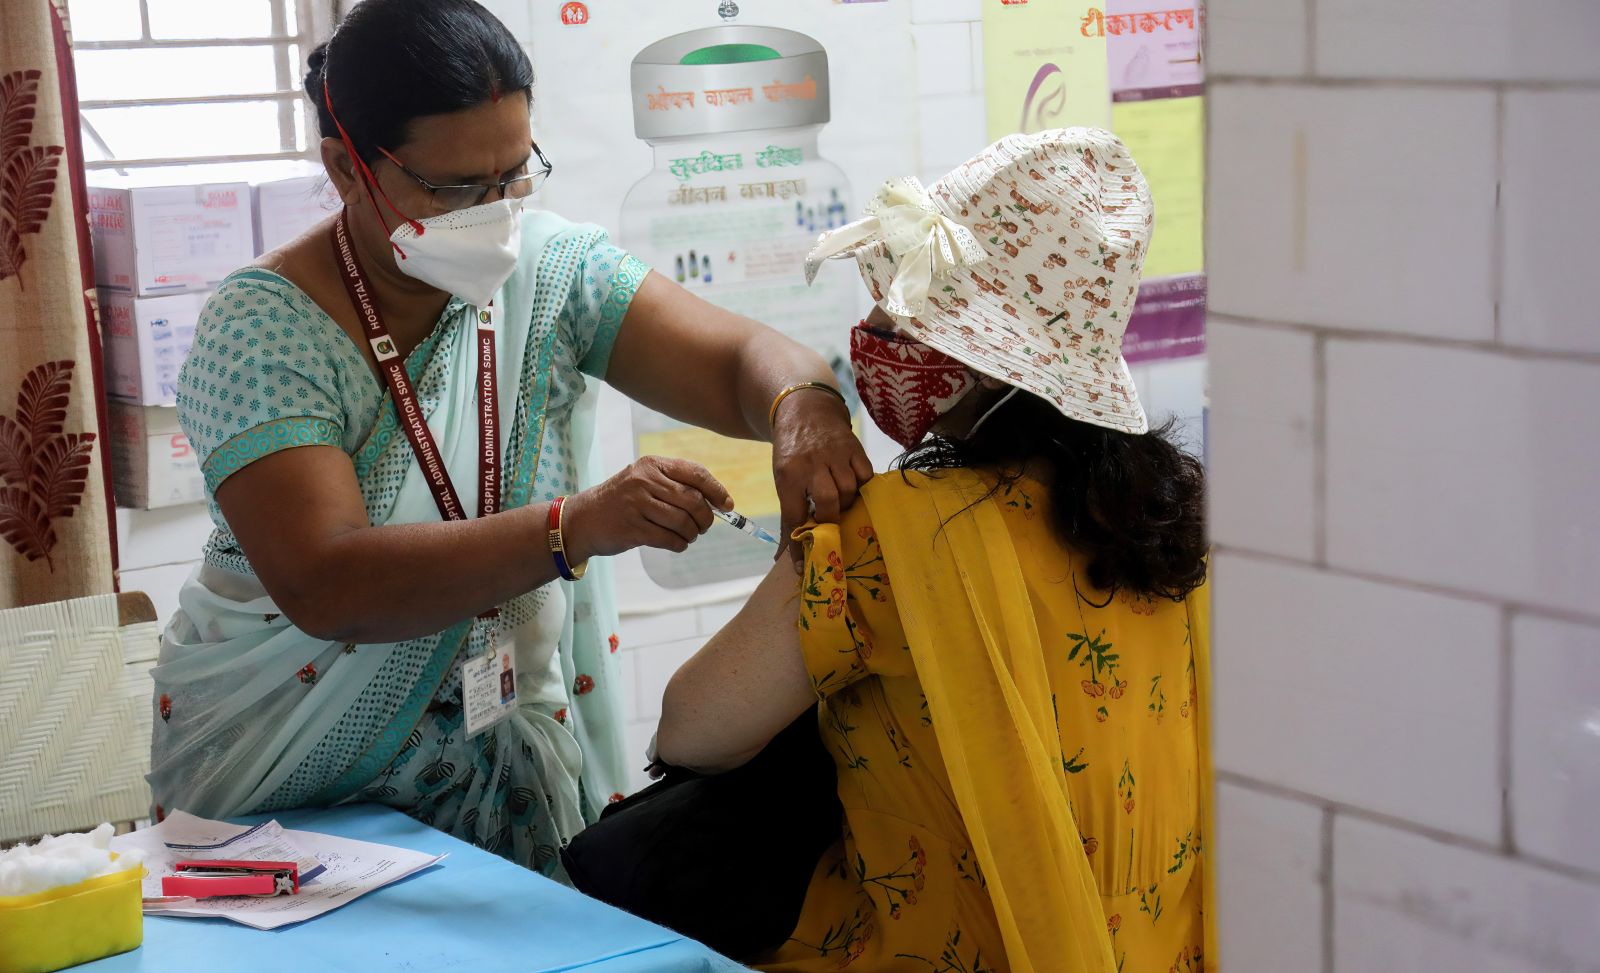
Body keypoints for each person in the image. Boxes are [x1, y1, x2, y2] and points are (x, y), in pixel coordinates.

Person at [147, 0, 869, 877]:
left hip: (501, 761)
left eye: (514, 175)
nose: (493, 212)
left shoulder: (551, 271)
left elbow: (740, 361)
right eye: (453, 190)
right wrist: (573, 528)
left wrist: (802, 403)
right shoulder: (263, 329)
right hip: (286, 784)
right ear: (344, 167)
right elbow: (327, 581)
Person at [655, 129, 1213, 972]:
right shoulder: (1176, 520)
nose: (875, 330)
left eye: (906, 315)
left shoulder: (899, 533)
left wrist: (805, 554)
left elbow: (690, 729)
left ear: (989, 367)